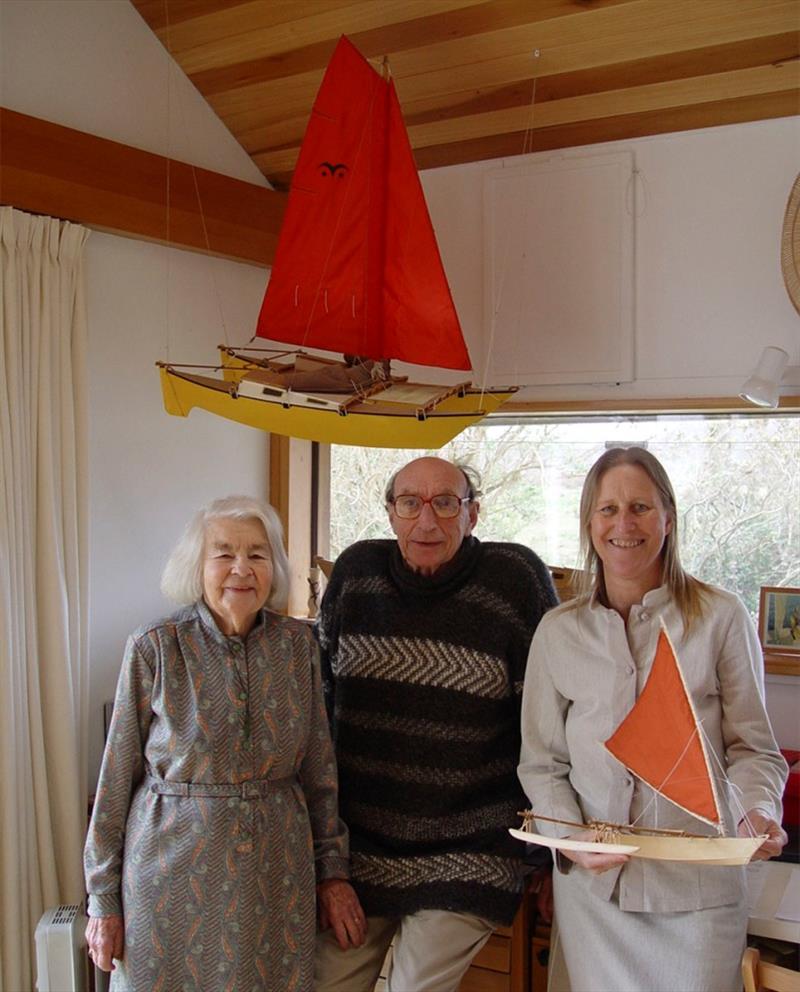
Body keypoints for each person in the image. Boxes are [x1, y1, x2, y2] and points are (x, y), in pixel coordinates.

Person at [518, 447, 788, 992]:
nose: (624, 524)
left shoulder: (721, 617)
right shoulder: (556, 631)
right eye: (608, 509)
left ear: (668, 517)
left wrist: (756, 811)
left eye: (640, 507)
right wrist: (570, 840)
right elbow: (542, 764)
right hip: (595, 898)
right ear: (589, 522)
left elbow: (754, 749)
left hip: (697, 894)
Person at [84, 495, 363, 992]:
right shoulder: (156, 646)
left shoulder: (299, 647)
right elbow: (114, 782)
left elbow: (320, 771)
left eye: (257, 554)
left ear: (273, 567)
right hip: (169, 871)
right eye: (224, 553)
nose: (241, 568)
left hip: (274, 871)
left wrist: (332, 873)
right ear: (197, 566)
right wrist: (102, 902)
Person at [314, 456, 557, 992]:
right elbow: (316, 714)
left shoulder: (515, 580)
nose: (427, 521)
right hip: (364, 848)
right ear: (391, 514)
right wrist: (328, 862)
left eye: (446, 503)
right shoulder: (355, 576)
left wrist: (548, 856)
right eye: (410, 503)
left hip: (471, 848)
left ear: (473, 515)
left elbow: (549, 730)